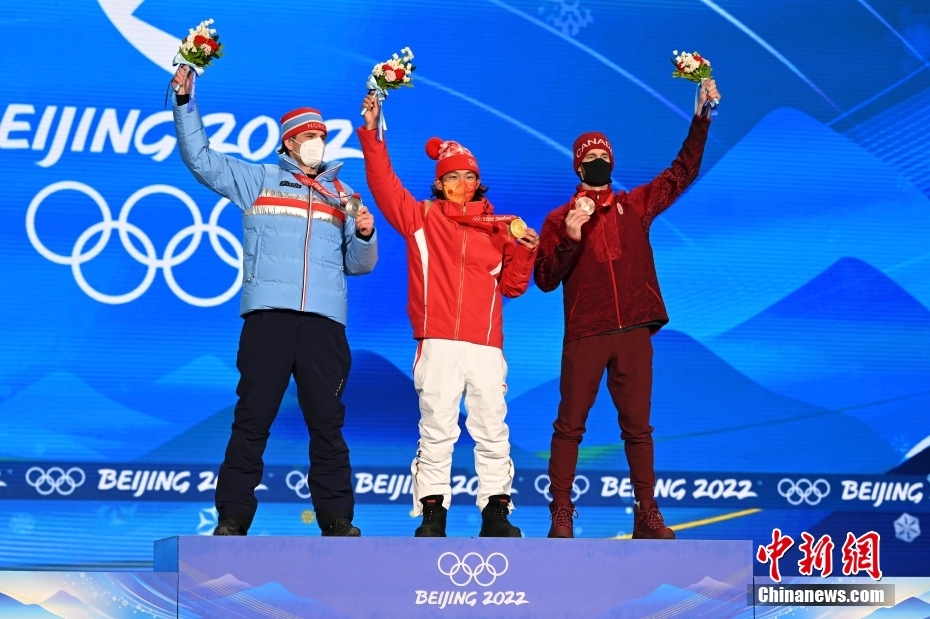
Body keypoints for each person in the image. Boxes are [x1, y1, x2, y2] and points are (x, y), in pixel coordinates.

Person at [171, 65, 378, 537]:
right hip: (269, 319)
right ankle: (233, 518)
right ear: (288, 142)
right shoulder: (258, 180)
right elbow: (201, 159)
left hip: (324, 324)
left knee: (328, 424)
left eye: (321, 136)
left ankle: (337, 519)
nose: (316, 143)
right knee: (252, 419)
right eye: (308, 137)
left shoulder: (343, 195)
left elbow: (359, 264)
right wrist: (185, 103)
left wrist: (365, 234)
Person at [534, 80, 722, 539]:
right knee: (570, 426)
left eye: (605, 156)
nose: (599, 162)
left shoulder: (635, 205)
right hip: (586, 332)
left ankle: (647, 513)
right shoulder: (559, 219)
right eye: (591, 158)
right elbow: (544, 278)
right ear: (578, 166)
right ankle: (561, 512)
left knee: (638, 429)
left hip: (634, 330)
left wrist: (701, 119)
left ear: (612, 163)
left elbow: (681, 172)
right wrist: (570, 238)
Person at [357, 92, 538, 537]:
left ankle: (496, 512)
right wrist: (373, 134)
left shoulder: (501, 228)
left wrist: (526, 252)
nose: (461, 184)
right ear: (439, 184)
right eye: (452, 177)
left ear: (478, 182)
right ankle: (433, 514)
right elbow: (383, 184)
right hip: (437, 341)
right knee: (437, 429)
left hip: (485, 345)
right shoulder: (421, 218)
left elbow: (513, 287)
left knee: (492, 429)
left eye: (469, 176)